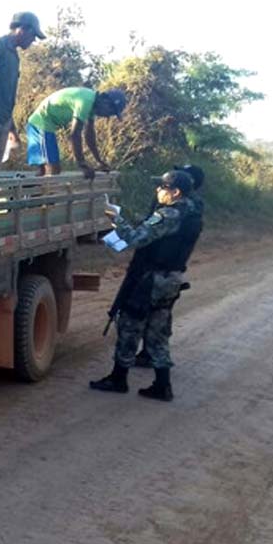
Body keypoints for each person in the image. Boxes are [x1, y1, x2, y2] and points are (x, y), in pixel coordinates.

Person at [89, 169, 203, 402]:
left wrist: (115, 217)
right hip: (170, 278)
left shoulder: (168, 215)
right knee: (157, 332)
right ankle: (163, 385)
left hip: (151, 279)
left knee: (130, 324)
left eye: (163, 187)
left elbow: (136, 238)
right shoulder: (192, 211)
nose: (158, 191)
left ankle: (118, 378)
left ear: (176, 192)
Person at [134, 163, 204, 367]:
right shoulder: (191, 207)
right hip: (168, 270)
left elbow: (144, 235)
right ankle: (158, 371)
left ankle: (145, 357)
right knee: (160, 316)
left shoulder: (176, 210)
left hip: (159, 269)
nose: (159, 190)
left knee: (144, 316)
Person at [0, 12, 45, 181]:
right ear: (22, 29)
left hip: (3, 118)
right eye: (33, 35)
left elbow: (7, 95)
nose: (33, 41)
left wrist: (12, 128)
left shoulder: (14, 56)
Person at [26, 87, 127, 179]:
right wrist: (82, 164)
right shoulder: (85, 102)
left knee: (47, 172)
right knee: (52, 170)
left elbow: (89, 137)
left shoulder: (92, 105)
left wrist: (99, 161)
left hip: (46, 126)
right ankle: (37, 196)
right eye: (109, 112)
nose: (107, 116)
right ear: (105, 100)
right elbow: (75, 135)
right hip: (40, 123)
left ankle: (32, 194)